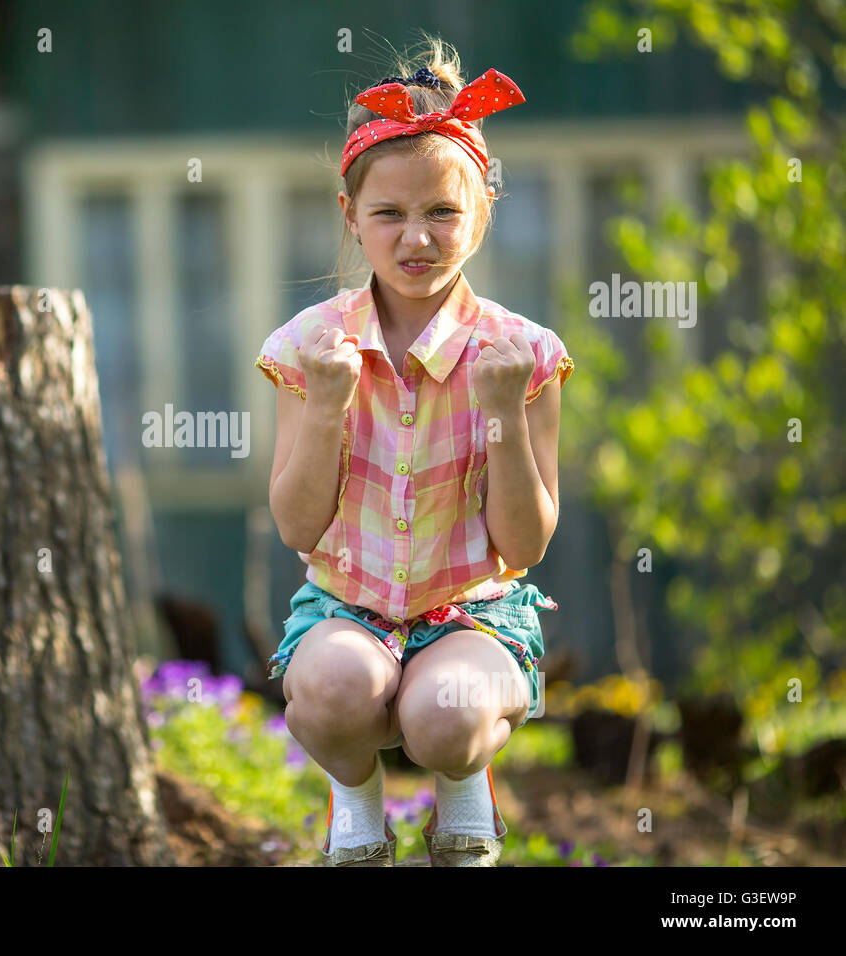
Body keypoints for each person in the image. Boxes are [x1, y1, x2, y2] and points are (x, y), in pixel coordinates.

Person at [254, 38, 574, 866]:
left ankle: (465, 786)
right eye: (390, 214)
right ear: (349, 215)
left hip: (470, 611)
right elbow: (296, 524)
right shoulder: (311, 346)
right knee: (332, 694)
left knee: (448, 717)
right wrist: (327, 407)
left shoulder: (521, 353)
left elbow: (526, 544)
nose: (416, 238)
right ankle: (354, 797)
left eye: (442, 212)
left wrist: (501, 412)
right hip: (346, 609)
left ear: (482, 215)